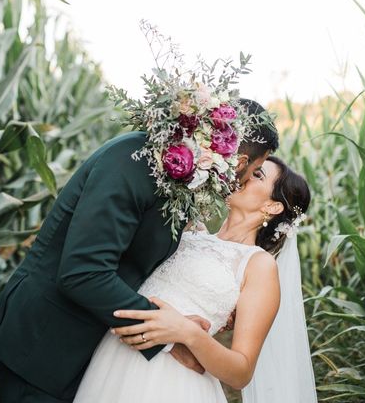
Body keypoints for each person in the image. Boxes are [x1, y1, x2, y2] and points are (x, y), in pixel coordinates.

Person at [0, 98, 279, 402]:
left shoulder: (178, 177)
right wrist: (172, 339)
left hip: (96, 352)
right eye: (254, 170)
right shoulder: (134, 161)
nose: (242, 179)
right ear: (238, 159)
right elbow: (84, 273)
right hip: (46, 344)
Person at [75, 156, 314, 403]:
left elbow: (241, 372)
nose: (243, 173)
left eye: (258, 174)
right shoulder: (190, 231)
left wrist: (188, 333)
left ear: (273, 207)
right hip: (114, 356)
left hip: (171, 382)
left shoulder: (258, 265)